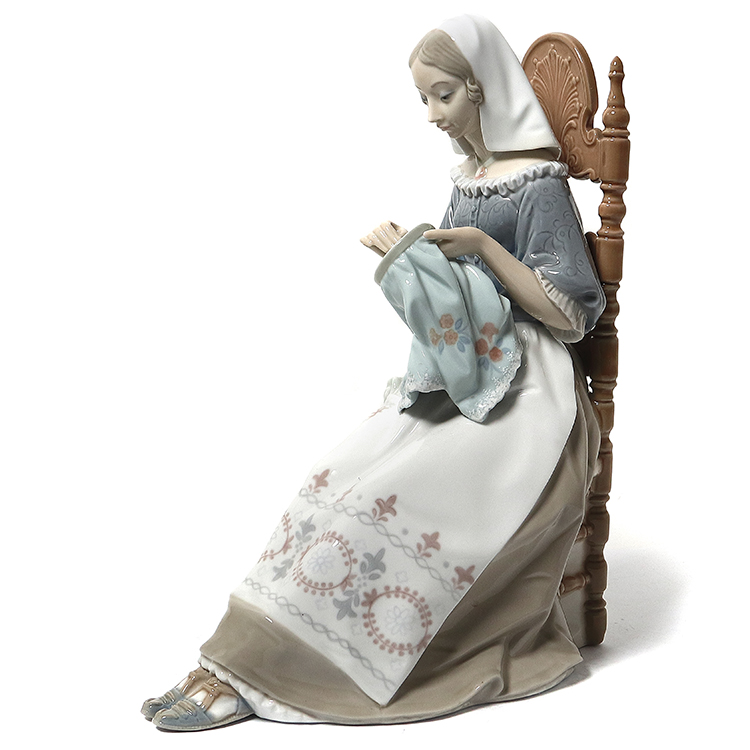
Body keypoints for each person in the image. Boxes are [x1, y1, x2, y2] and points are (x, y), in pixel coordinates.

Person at [142, 14, 606, 730]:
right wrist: (412, 260)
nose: (432, 115)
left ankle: (283, 675)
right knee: (342, 473)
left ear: (483, 89)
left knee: (401, 487)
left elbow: (572, 314)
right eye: (424, 98)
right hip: (468, 366)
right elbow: (459, 295)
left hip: (530, 390)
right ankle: (239, 658)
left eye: (443, 95)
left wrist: (482, 246)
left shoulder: (537, 185)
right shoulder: (472, 178)